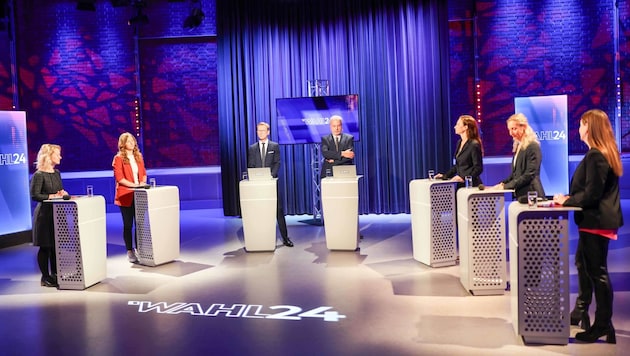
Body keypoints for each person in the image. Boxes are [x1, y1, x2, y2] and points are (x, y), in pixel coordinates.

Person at [553, 109, 623, 344]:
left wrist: (567, 200)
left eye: (582, 124)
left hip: (597, 220)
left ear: (590, 127)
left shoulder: (596, 155)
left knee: (597, 272)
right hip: (594, 220)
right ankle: (582, 312)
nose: (579, 128)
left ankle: (602, 324)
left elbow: (592, 194)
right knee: (584, 265)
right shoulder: (599, 153)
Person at [247, 122, 294, 247]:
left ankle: (285, 238)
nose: (261, 132)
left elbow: (277, 163)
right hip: (257, 185)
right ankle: (259, 238)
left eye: (263, 130)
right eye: (258, 130)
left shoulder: (274, 146)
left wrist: (270, 177)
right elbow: (251, 165)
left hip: (271, 184)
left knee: (278, 210)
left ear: (268, 132)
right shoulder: (252, 148)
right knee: (258, 211)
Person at [30, 144, 68, 287]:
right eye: (57, 154)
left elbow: (59, 191)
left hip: (57, 214)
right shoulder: (39, 175)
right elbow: (35, 195)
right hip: (44, 215)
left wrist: (63, 194)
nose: (60, 157)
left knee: (55, 246)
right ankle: (45, 277)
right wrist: (52, 196)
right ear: (49, 155)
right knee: (46, 246)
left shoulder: (56, 173)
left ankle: (55, 274)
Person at [490, 113, 545, 199]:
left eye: (514, 129)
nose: (511, 133)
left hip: (532, 195)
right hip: (521, 195)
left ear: (523, 127)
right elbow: (515, 175)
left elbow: (529, 175)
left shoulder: (532, 146)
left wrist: (506, 186)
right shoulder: (518, 146)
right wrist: (502, 184)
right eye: (509, 130)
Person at [112, 132, 148, 263]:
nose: (132, 143)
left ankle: (140, 249)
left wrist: (142, 183)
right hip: (125, 195)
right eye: (129, 141)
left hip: (139, 195)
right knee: (128, 224)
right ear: (123, 144)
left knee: (140, 224)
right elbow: (119, 178)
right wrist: (134, 186)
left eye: (133, 140)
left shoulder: (138, 156)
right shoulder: (118, 158)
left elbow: (143, 173)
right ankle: (129, 251)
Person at [435, 115, 484, 187]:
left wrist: (464, 178)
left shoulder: (474, 144)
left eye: (458, 124)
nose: (455, 127)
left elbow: (478, 168)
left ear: (465, 127)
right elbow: (458, 166)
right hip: (461, 184)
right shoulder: (459, 142)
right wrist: (445, 176)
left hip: (471, 185)